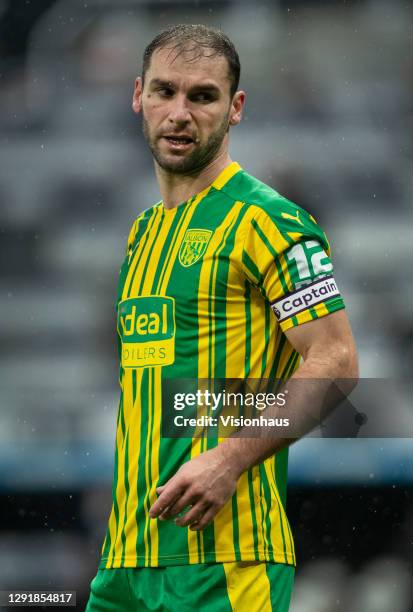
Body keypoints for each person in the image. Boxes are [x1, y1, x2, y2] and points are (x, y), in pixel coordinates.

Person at [86, 23, 358, 612]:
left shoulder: (272, 222)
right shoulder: (142, 233)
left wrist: (230, 457)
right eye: (164, 92)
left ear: (235, 108)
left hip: (225, 561)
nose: (179, 113)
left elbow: (336, 361)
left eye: (202, 96)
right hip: (125, 564)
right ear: (138, 95)